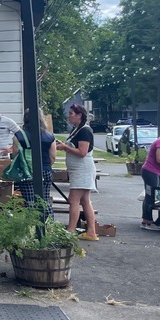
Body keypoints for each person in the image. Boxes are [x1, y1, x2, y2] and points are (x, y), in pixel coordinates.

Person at [56, 103, 98, 240]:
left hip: (82, 169)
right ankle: (91, 231)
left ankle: (71, 230)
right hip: (77, 170)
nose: (69, 116)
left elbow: (82, 152)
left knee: (73, 200)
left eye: (71, 114)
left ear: (79, 115)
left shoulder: (85, 131)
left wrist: (65, 147)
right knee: (85, 200)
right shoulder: (76, 129)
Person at [12, 109, 56, 219]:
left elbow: (15, 154)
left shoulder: (19, 135)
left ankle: (32, 225)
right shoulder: (49, 136)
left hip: (26, 172)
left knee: (30, 201)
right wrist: (45, 166)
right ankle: (49, 223)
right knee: (44, 200)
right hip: (45, 171)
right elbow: (52, 157)